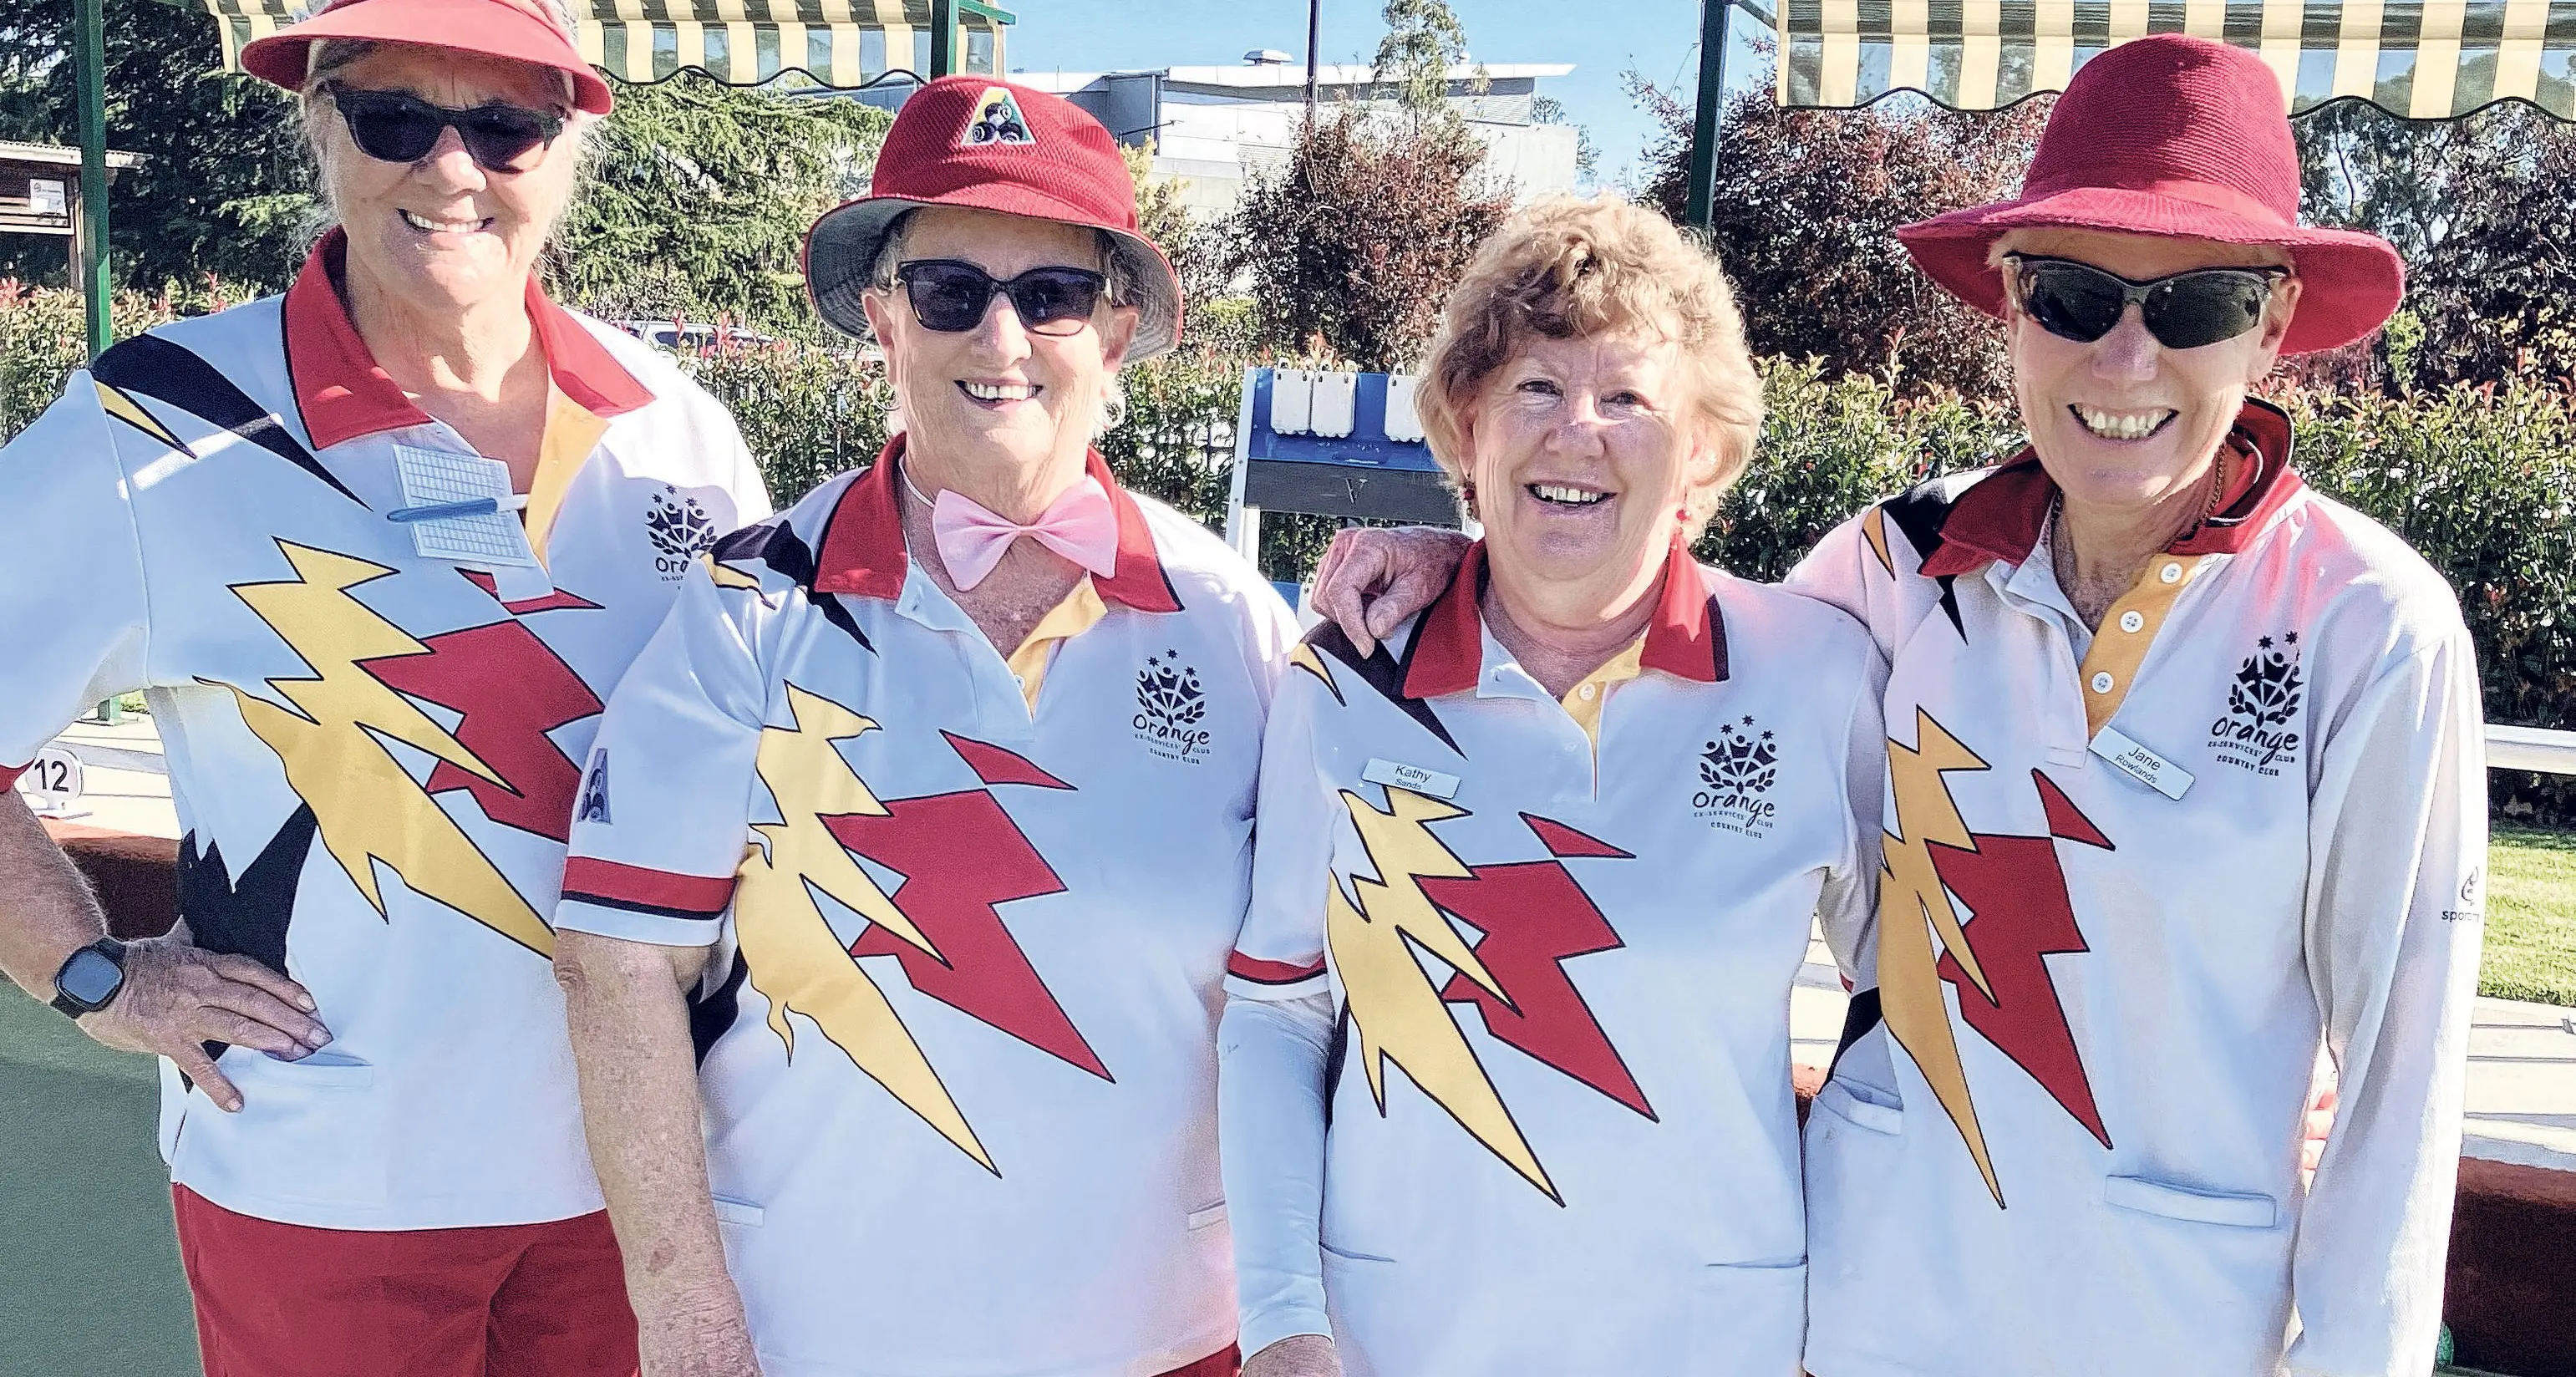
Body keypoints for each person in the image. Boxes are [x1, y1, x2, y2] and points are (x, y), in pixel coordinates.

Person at [1311, 35, 2482, 1377]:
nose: (2123, 354)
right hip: (1870, 1308)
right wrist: (1463, 557)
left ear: (2271, 324)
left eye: (2196, 303)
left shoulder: (2367, 626)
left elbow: (2403, 1072)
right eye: (2071, 295)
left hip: (2175, 1328)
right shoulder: (1887, 566)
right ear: (2007, 304)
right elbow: (1646, 601)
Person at [0, 0, 770, 1369]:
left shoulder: (679, 424)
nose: (452, 169)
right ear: (324, 133)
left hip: (642, 1180)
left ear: (568, 146)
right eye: (396, 119)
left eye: (504, 126)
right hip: (323, 1180)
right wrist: (92, 977)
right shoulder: (155, 423)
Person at [549, 77, 1292, 1377]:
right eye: (950, 290)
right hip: (809, 1334)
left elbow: (1316, 998)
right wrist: (685, 1319)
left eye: (1049, 295)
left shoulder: (1233, 619)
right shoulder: (748, 607)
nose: (998, 337)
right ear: (885, 318)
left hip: (1164, 1340)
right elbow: (615, 967)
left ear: (1115, 331)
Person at [1221, 196, 1885, 1377]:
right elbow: (1276, 1012)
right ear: (1466, 432)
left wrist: (1852, 1283)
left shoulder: (1820, 676)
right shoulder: (1344, 681)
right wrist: (1280, 1321)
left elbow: (1910, 1013)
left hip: (1711, 1339)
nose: (1574, 429)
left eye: (1627, 396)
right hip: (1396, 1340)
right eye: (1533, 387)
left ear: (1704, 449)